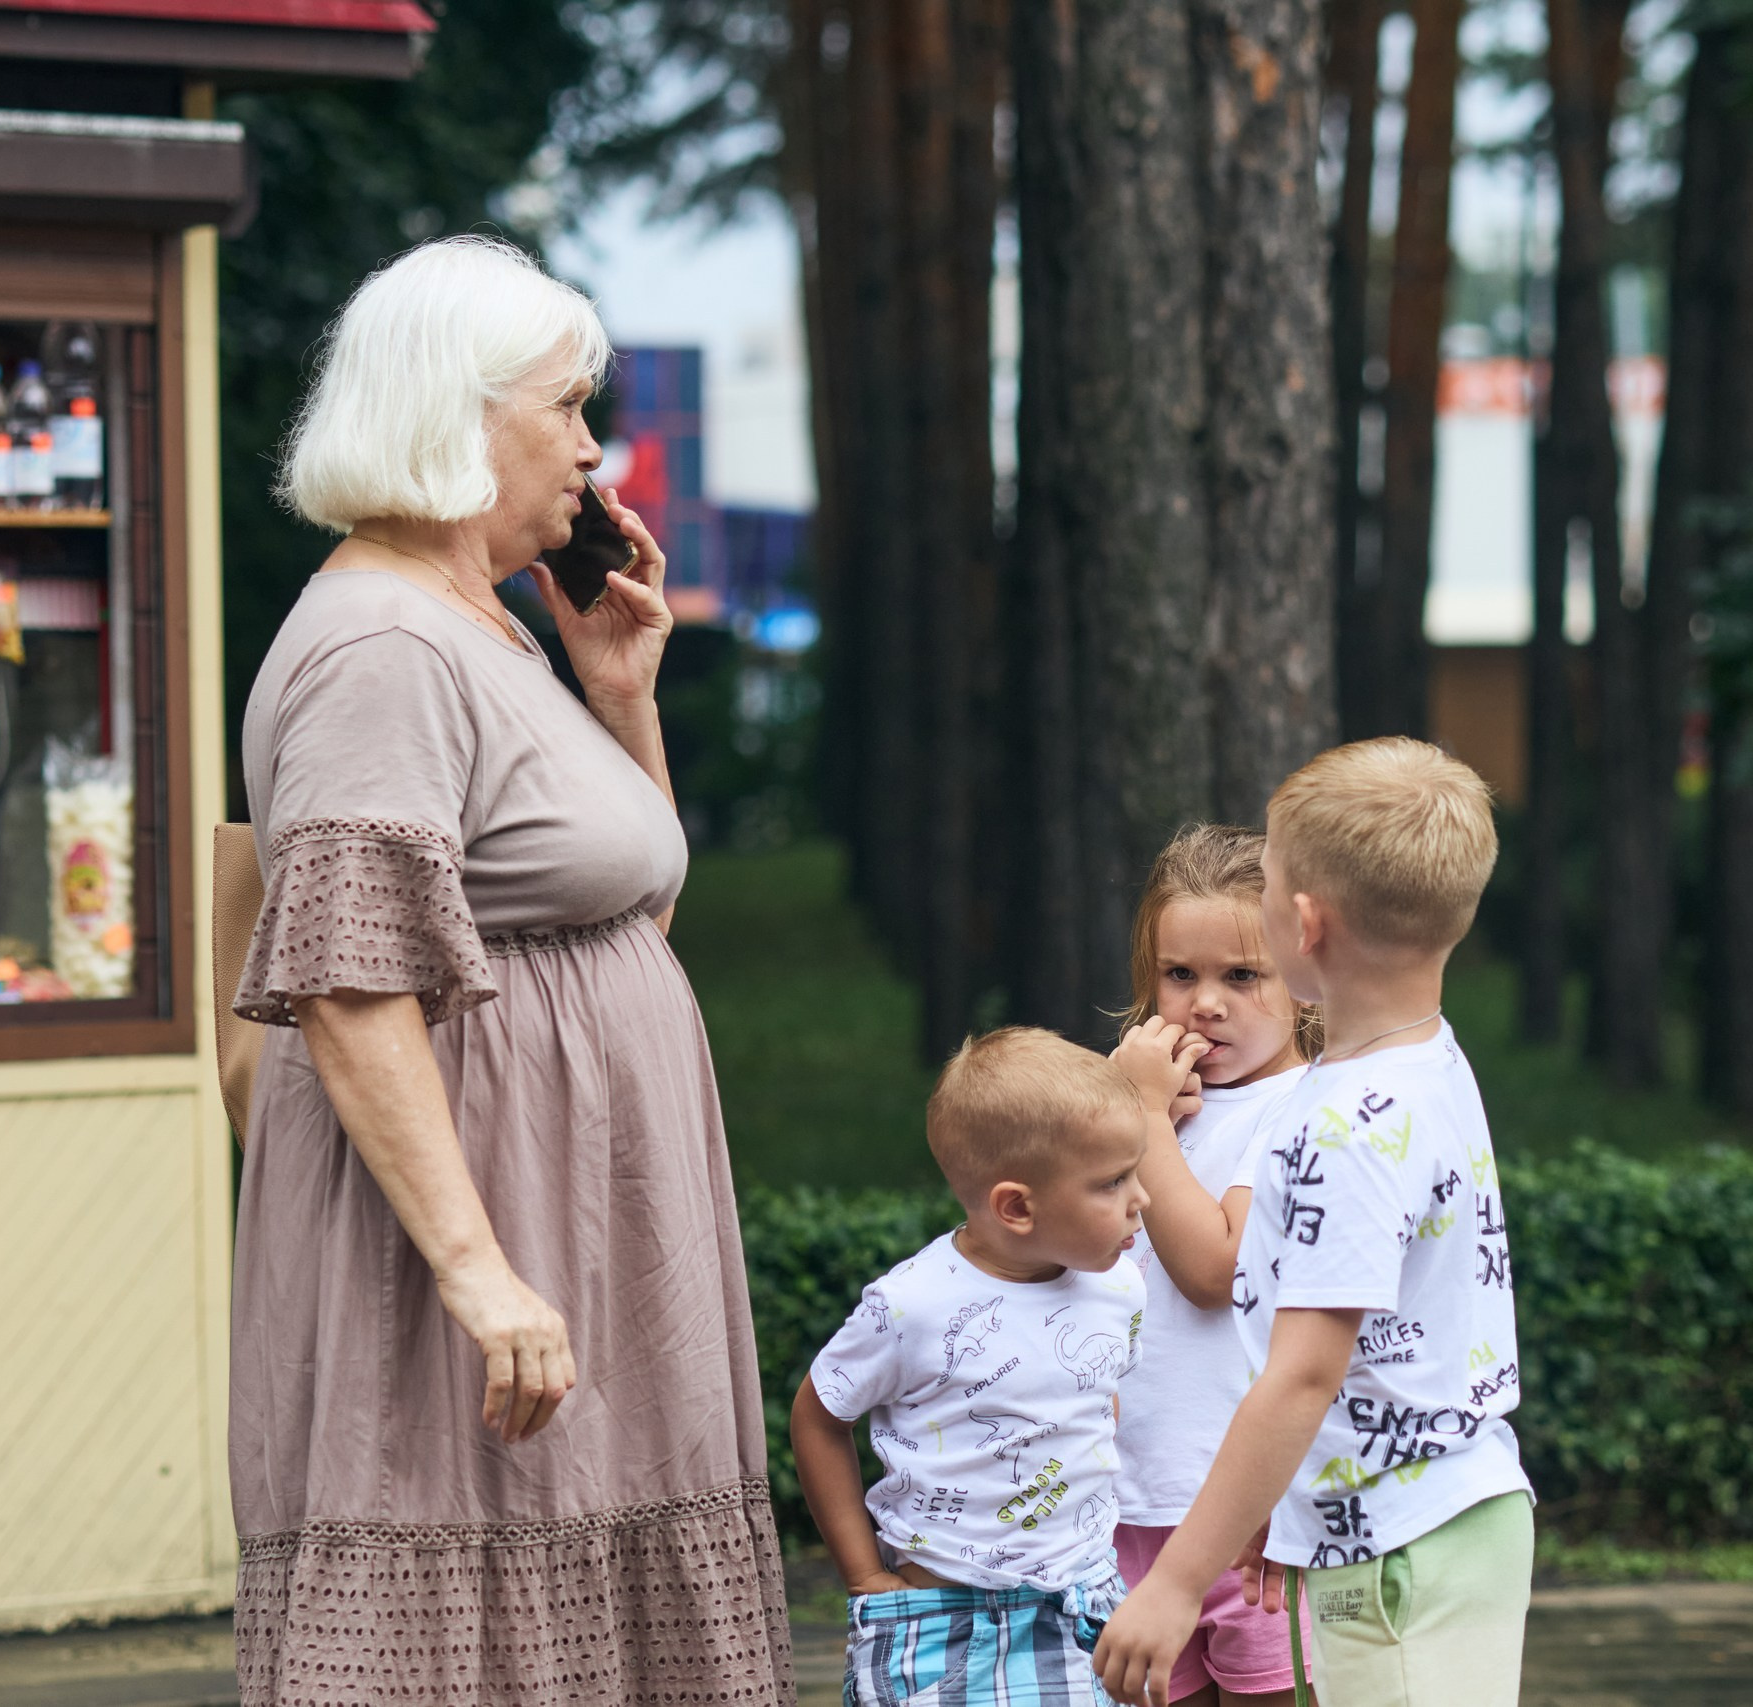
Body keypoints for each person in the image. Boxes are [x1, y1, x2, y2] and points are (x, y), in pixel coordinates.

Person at [228, 236, 793, 1703]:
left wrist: (620, 693)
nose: (594, 449)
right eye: (568, 406)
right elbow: (352, 991)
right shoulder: (379, 645)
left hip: (580, 1200)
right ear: (462, 415)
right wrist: (480, 1272)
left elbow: (619, 925)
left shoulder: (483, 628)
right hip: (484, 1212)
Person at [1094, 739, 1533, 1707]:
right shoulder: (1420, 1062)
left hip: (1398, 1549)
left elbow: (1302, 1373)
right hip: (1419, 1518)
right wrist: (1282, 1511)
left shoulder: (1346, 1127)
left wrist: (1173, 1584)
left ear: (1299, 922)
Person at [790, 1027, 1151, 1707]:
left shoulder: (1120, 1285)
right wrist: (865, 1572)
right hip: (943, 1625)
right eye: (1111, 1182)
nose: (1142, 1198)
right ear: (1017, 1205)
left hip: (1081, 1609)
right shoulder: (912, 1306)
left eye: (1135, 1171)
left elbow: (1098, 1403)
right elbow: (817, 1414)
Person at [1103, 824, 1319, 1707]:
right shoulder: (1150, 1109)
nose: (1207, 1003)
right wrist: (1131, 1119)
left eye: (1242, 974)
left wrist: (1146, 1122)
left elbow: (1216, 1268)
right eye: (1179, 974)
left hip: (1247, 1515)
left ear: (1301, 981)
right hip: (1131, 1494)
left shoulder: (1302, 1108)